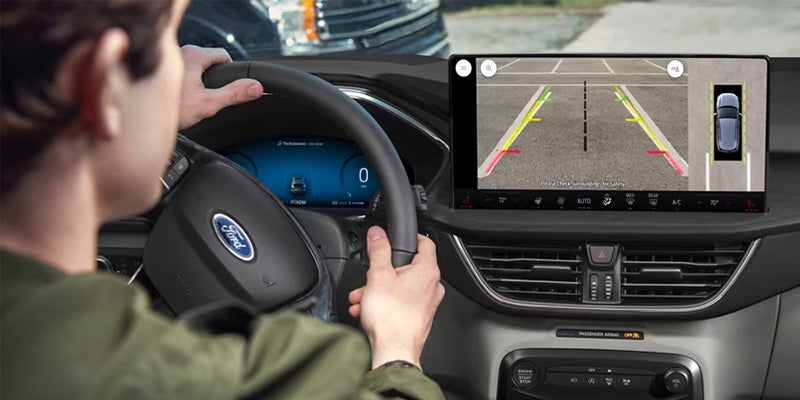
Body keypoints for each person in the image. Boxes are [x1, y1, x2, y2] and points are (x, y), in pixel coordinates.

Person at [0, 1, 446, 399]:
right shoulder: (207, 379)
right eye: (170, 46)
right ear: (103, 85)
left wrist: (138, 112)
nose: (185, 62)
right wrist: (396, 349)